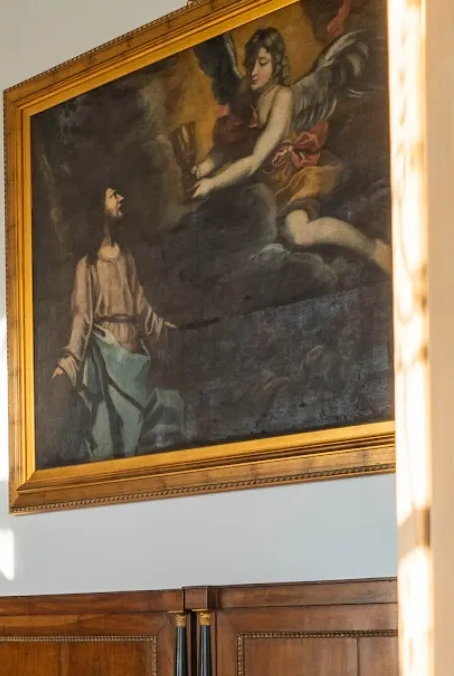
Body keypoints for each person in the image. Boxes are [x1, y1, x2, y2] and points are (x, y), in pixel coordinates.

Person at [191, 26, 390, 272]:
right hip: (259, 185)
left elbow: (254, 159)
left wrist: (212, 183)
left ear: (276, 64)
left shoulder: (282, 97)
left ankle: (374, 249)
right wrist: (201, 169)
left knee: (299, 234)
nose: (254, 71)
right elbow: (227, 148)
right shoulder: (245, 95)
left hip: (290, 178)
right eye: (251, 62)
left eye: (262, 63)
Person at [51, 187, 185, 459]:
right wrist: (68, 363)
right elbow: (81, 318)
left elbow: (140, 304)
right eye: (113, 195)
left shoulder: (126, 258)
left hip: (133, 358)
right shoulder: (87, 265)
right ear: (98, 207)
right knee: (106, 434)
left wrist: (161, 327)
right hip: (105, 357)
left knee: (135, 433)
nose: (121, 198)